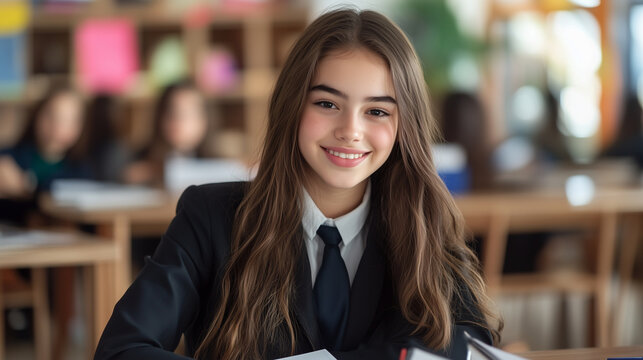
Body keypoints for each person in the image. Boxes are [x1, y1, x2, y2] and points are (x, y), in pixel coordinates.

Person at [95, 9, 501, 360]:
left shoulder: (423, 220)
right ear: (292, 105)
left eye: (377, 111)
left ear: (404, 126)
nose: (350, 131)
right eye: (327, 104)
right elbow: (122, 349)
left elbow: (467, 345)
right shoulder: (210, 216)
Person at [0, 85, 90, 224]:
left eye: (67, 120)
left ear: (79, 127)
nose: (57, 126)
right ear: (37, 114)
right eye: (51, 116)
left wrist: (27, 188)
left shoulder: (79, 169)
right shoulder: (12, 156)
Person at [124, 79, 210, 186]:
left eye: (188, 114)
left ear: (204, 121)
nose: (180, 122)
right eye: (173, 114)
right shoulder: (139, 159)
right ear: (160, 117)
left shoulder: (216, 163)